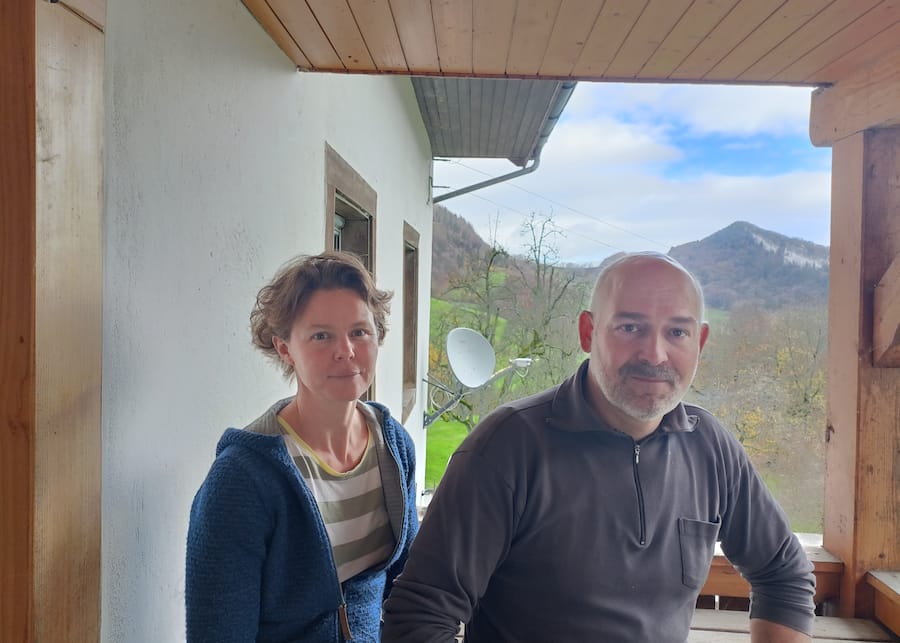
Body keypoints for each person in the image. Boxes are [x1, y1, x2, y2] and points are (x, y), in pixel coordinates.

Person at [382, 251, 815, 642]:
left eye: (677, 332)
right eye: (631, 327)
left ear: (699, 342)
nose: (655, 353)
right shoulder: (507, 449)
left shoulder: (710, 447)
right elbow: (418, 618)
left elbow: (784, 572)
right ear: (588, 332)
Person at [186, 251, 418, 642]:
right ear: (285, 348)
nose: (345, 350)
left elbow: (408, 586)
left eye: (360, 331)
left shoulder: (394, 448)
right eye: (321, 335)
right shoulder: (242, 479)